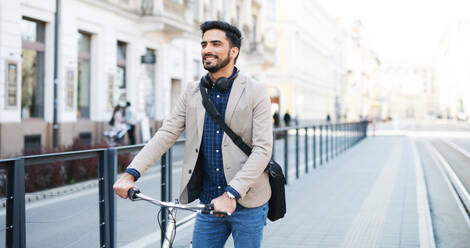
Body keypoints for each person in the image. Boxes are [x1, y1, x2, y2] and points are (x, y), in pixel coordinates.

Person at [113, 21, 273, 248]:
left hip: (247, 201)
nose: (207, 49)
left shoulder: (256, 91)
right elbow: (166, 133)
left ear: (233, 51)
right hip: (207, 203)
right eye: (204, 44)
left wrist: (231, 194)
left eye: (216, 44)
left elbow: (263, 149)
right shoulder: (192, 91)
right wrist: (131, 173)